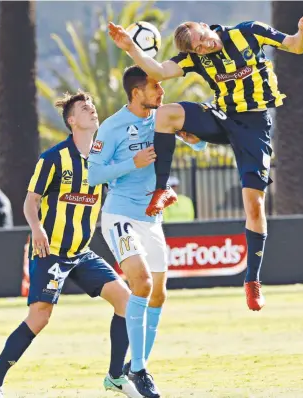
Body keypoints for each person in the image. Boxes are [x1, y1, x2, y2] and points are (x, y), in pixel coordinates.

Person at [108, 12, 303, 311]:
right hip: (222, 116)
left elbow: (294, 46)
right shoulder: (196, 58)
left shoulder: (249, 32)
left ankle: (252, 280)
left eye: (202, 39)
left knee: (254, 206)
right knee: (166, 114)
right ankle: (162, 189)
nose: (204, 47)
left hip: (254, 125)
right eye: (198, 49)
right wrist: (130, 47)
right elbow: (157, 69)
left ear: (206, 26)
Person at [0, 91, 142, 398]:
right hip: (50, 251)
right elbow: (31, 202)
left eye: (92, 106)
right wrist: (37, 229)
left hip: (82, 253)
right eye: (85, 108)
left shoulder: (101, 158)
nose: (92, 111)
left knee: (126, 300)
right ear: (72, 121)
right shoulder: (53, 158)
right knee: (40, 317)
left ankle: (115, 376)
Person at [88, 65, 206, 398]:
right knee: (141, 282)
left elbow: (198, 147)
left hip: (152, 218)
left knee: (158, 294)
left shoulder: (161, 118)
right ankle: (139, 371)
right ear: (137, 92)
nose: (162, 91)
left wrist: (194, 141)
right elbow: (94, 176)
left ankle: (135, 365)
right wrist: (132, 163)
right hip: (120, 214)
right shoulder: (112, 127)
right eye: (156, 86)